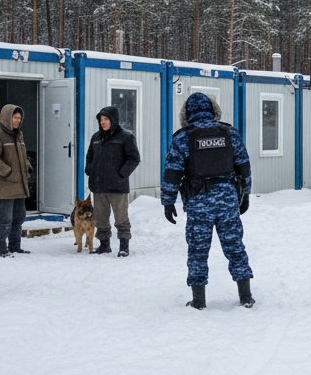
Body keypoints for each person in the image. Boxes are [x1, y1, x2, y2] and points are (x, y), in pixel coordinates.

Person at [161, 93, 255, 309]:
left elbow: (172, 173)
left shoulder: (183, 137)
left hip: (198, 202)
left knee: (197, 250)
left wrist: (168, 201)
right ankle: (246, 296)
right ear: (213, 110)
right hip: (227, 200)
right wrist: (245, 194)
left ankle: (198, 300)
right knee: (235, 246)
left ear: (186, 113)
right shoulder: (229, 133)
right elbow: (244, 166)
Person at [84, 105, 140, 256]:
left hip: (117, 187)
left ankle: (123, 246)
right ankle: (104, 245)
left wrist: (121, 174)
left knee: (121, 219)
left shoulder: (126, 137)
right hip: (99, 185)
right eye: (101, 120)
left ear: (113, 120)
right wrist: (90, 169)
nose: (103, 122)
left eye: (106, 119)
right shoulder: (96, 138)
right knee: (101, 218)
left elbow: (134, 158)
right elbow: (89, 157)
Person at [0, 103, 32, 257]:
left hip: (19, 185)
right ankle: (1, 249)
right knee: (4, 219)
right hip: (4, 186)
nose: (17, 121)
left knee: (18, 218)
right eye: (14, 117)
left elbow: (21, 156)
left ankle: (14, 246)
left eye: (19, 118)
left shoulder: (18, 135)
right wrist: (8, 172)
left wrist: (27, 166)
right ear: (6, 117)